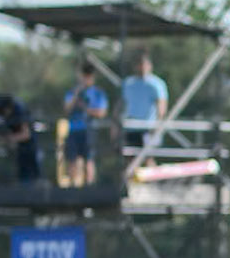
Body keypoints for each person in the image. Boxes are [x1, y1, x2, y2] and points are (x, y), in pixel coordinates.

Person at [61, 60, 108, 188]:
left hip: (89, 130)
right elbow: (66, 110)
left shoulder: (98, 93)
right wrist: (76, 95)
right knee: (72, 160)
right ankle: (72, 188)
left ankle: (89, 187)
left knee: (89, 160)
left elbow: (101, 113)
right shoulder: (72, 92)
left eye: (88, 75)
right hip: (73, 130)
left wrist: (85, 108)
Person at [0, 93, 41, 184]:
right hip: (17, 154)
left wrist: (7, 139)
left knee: (28, 178)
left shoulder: (19, 110)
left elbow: (26, 135)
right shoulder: (1, 109)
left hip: (28, 152)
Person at [119, 50, 169, 150]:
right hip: (132, 127)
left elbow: (161, 105)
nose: (142, 67)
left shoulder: (156, 84)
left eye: (145, 64)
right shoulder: (128, 83)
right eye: (140, 64)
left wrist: (158, 124)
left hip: (149, 128)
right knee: (130, 155)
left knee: (147, 155)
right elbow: (121, 103)